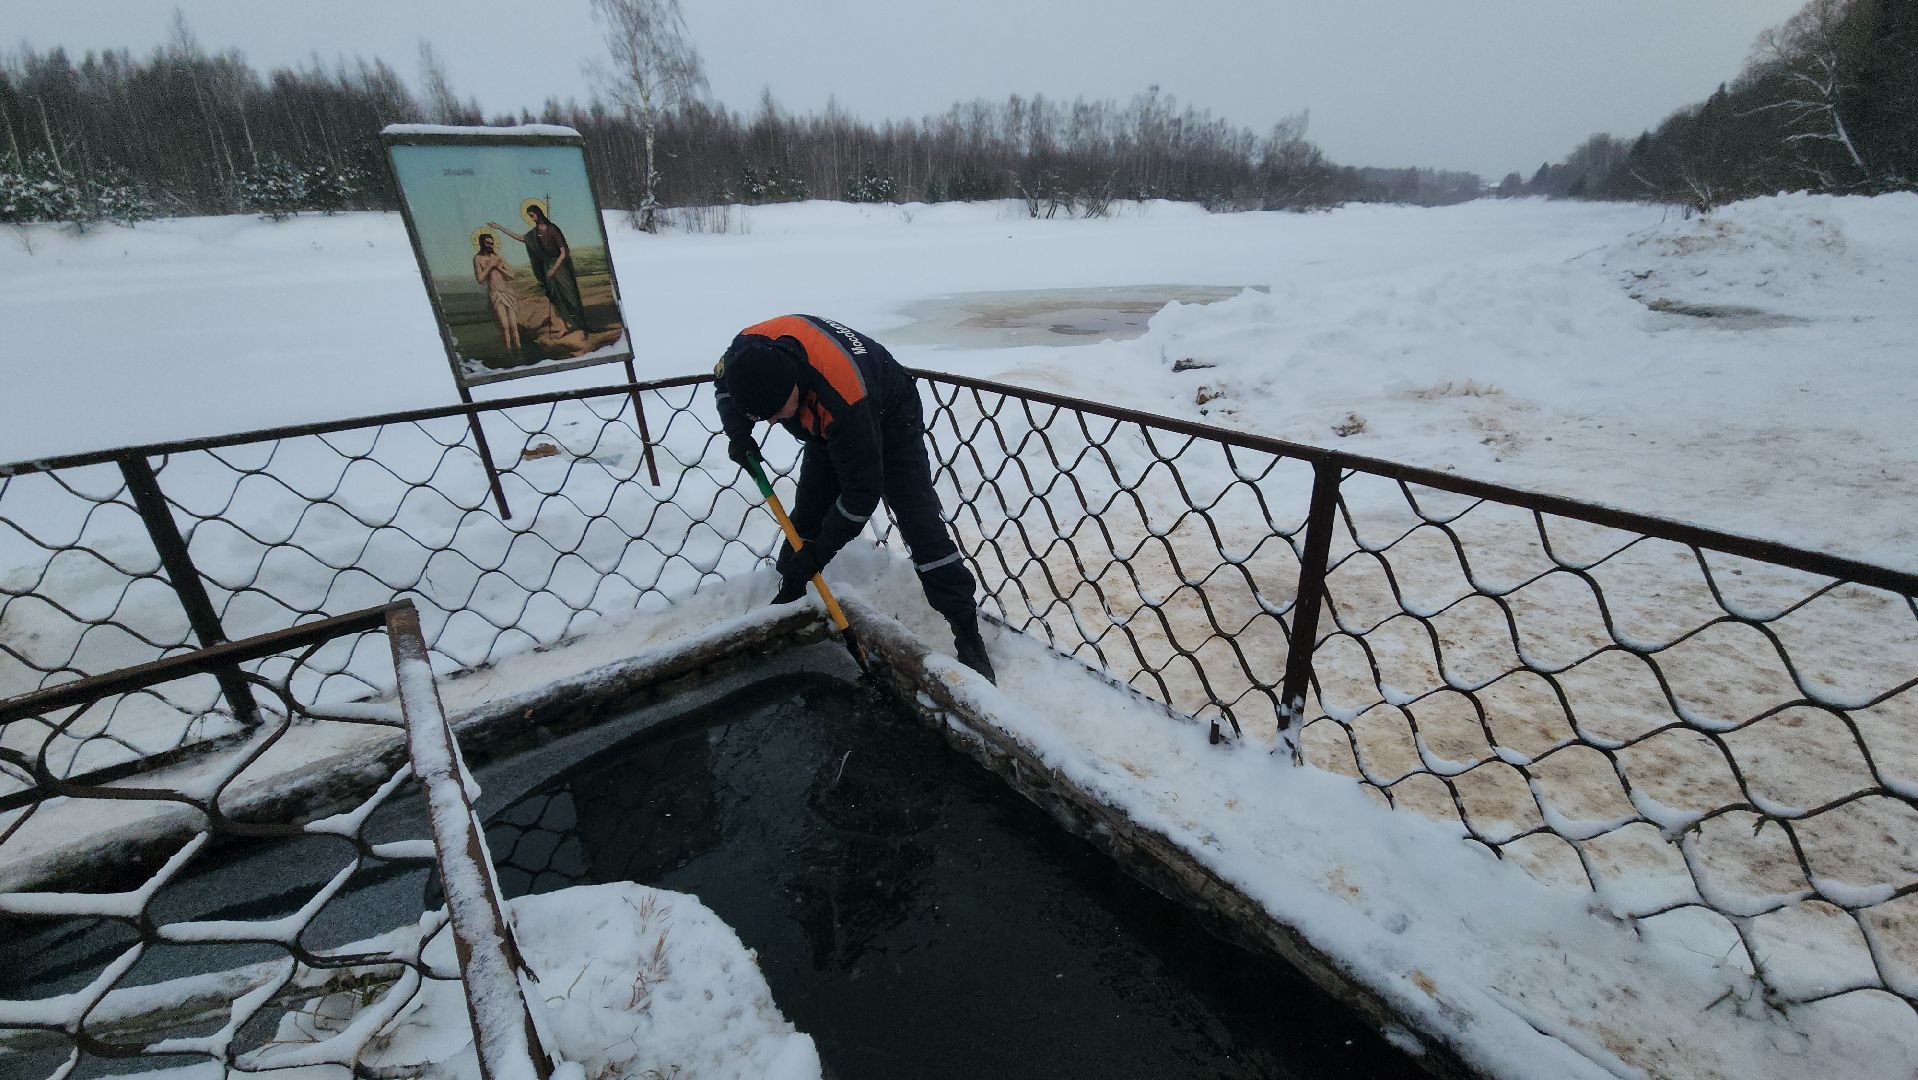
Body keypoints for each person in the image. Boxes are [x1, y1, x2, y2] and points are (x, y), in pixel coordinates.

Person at [715, 315, 995, 682]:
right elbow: (723, 388)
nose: (770, 424)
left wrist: (819, 554)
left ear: (793, 386)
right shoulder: (745, 351)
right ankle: (792, 593)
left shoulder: (842, 396)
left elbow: (861, 495)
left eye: (776, 413)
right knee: (810, 510)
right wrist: (738, 431)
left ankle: (967, 632)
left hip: (888, 414)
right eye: (760, 417)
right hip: (828, 419)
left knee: (919, 522)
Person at [487, 203, 592, 334]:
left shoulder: (552, 229)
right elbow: (520, 237)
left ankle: (580, 326)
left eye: (532, 215)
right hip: (546, 268)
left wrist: (554, 269)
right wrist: (500, 228)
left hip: (560, 267)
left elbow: (564, 252)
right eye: (529, 217)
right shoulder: (534, 234)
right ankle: (565, 326)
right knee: (555, 297)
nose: (532, 218)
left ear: (538, 213)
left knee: (569, 296)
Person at [471, 232, 521, 353]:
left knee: (514, 325)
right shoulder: (478, 259)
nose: (490, 245)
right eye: (487, 243)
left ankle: (519, 350)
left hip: (507, 292)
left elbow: (512, 275)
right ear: (482, 243)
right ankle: (508, 351)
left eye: (492, 243)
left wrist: (498, 267)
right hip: (495, 293)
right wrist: (490, 267)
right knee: (504, 326)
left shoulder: (498, 257)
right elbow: (480, 279)